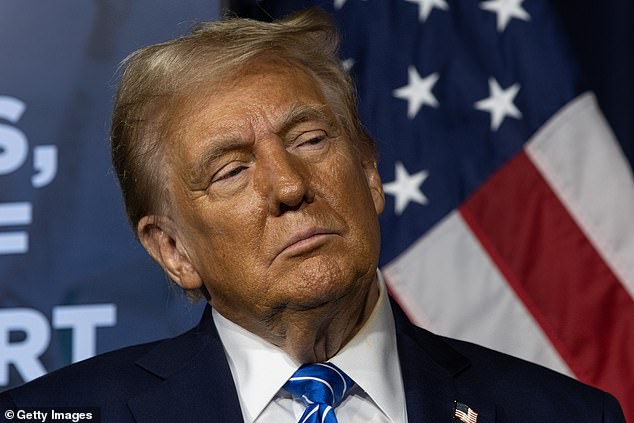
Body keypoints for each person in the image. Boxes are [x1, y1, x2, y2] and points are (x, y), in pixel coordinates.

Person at [0, 8, 625, 423]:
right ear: (171, 249)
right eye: (231, 170)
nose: (289, 187)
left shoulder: (564, 415)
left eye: (309, 139)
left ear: (371, 173)